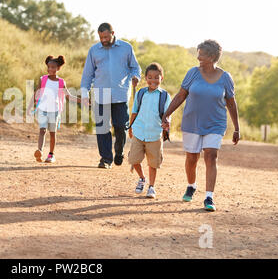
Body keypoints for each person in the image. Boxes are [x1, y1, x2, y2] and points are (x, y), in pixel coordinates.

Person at [162, 40, 240, 211]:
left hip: (215, 124)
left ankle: (209, 197)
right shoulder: (193, 73)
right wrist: (167, 114)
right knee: (192, 158)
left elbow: (231, 104)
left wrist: (236, 128)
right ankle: (191, 185)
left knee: (211, 156)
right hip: (192, 123)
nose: (198, 58)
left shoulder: (226, 78)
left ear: (212, 57)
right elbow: (181, 96)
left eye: (201, 55)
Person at [80, 23, 141, 169]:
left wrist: (135, 77)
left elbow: (135, 67)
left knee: (121, 127)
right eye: (101, 37)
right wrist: (84, 93)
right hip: (101, 94)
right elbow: (88, 73)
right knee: (102, 128)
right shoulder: (94, 50)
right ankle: (106, 159)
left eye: (106, 37)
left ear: (113, 33)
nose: (103, 40)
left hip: (120, 94)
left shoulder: (126, 48)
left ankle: (118, 152)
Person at [127, 63, 171, 199]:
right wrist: (130, 126)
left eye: (156, 77)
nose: (153, 80)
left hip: (155, 134)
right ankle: (142, 178)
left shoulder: (164, 96)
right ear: (146, 78)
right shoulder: (141, 93)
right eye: (150, 77)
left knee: (153, 163)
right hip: (139, 131)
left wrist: (167, 123)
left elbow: (168, 113)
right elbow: (134, 111)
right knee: (133, 159)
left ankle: (151, 187)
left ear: (161, 78)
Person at [27, 55, 80, 163]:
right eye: (49, 67)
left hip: (55, 111)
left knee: (52, 133)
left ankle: (51, 155)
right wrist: (29, 107)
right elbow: (36, 93)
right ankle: (40, 151)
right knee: (42, 130)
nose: (50, 69)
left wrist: (82, 100)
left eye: (53, 67)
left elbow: (68, 96)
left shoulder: (61, 82)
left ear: (58, 68)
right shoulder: (43, 79)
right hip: (42, 109)